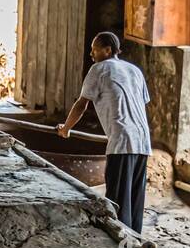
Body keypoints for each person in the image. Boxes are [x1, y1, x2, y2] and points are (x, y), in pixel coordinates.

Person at [57, 32, 152, 233]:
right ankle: (134, 244)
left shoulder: (99, 69)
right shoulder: (134, 70)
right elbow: (140, 104)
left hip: (122, 141)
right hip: (143, 141)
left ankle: (119, 244)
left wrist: (66, 129)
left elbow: (81, 104)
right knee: (134, 202)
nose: (91, 53)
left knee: (116, 203)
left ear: (107, 50)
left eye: (95, 48)